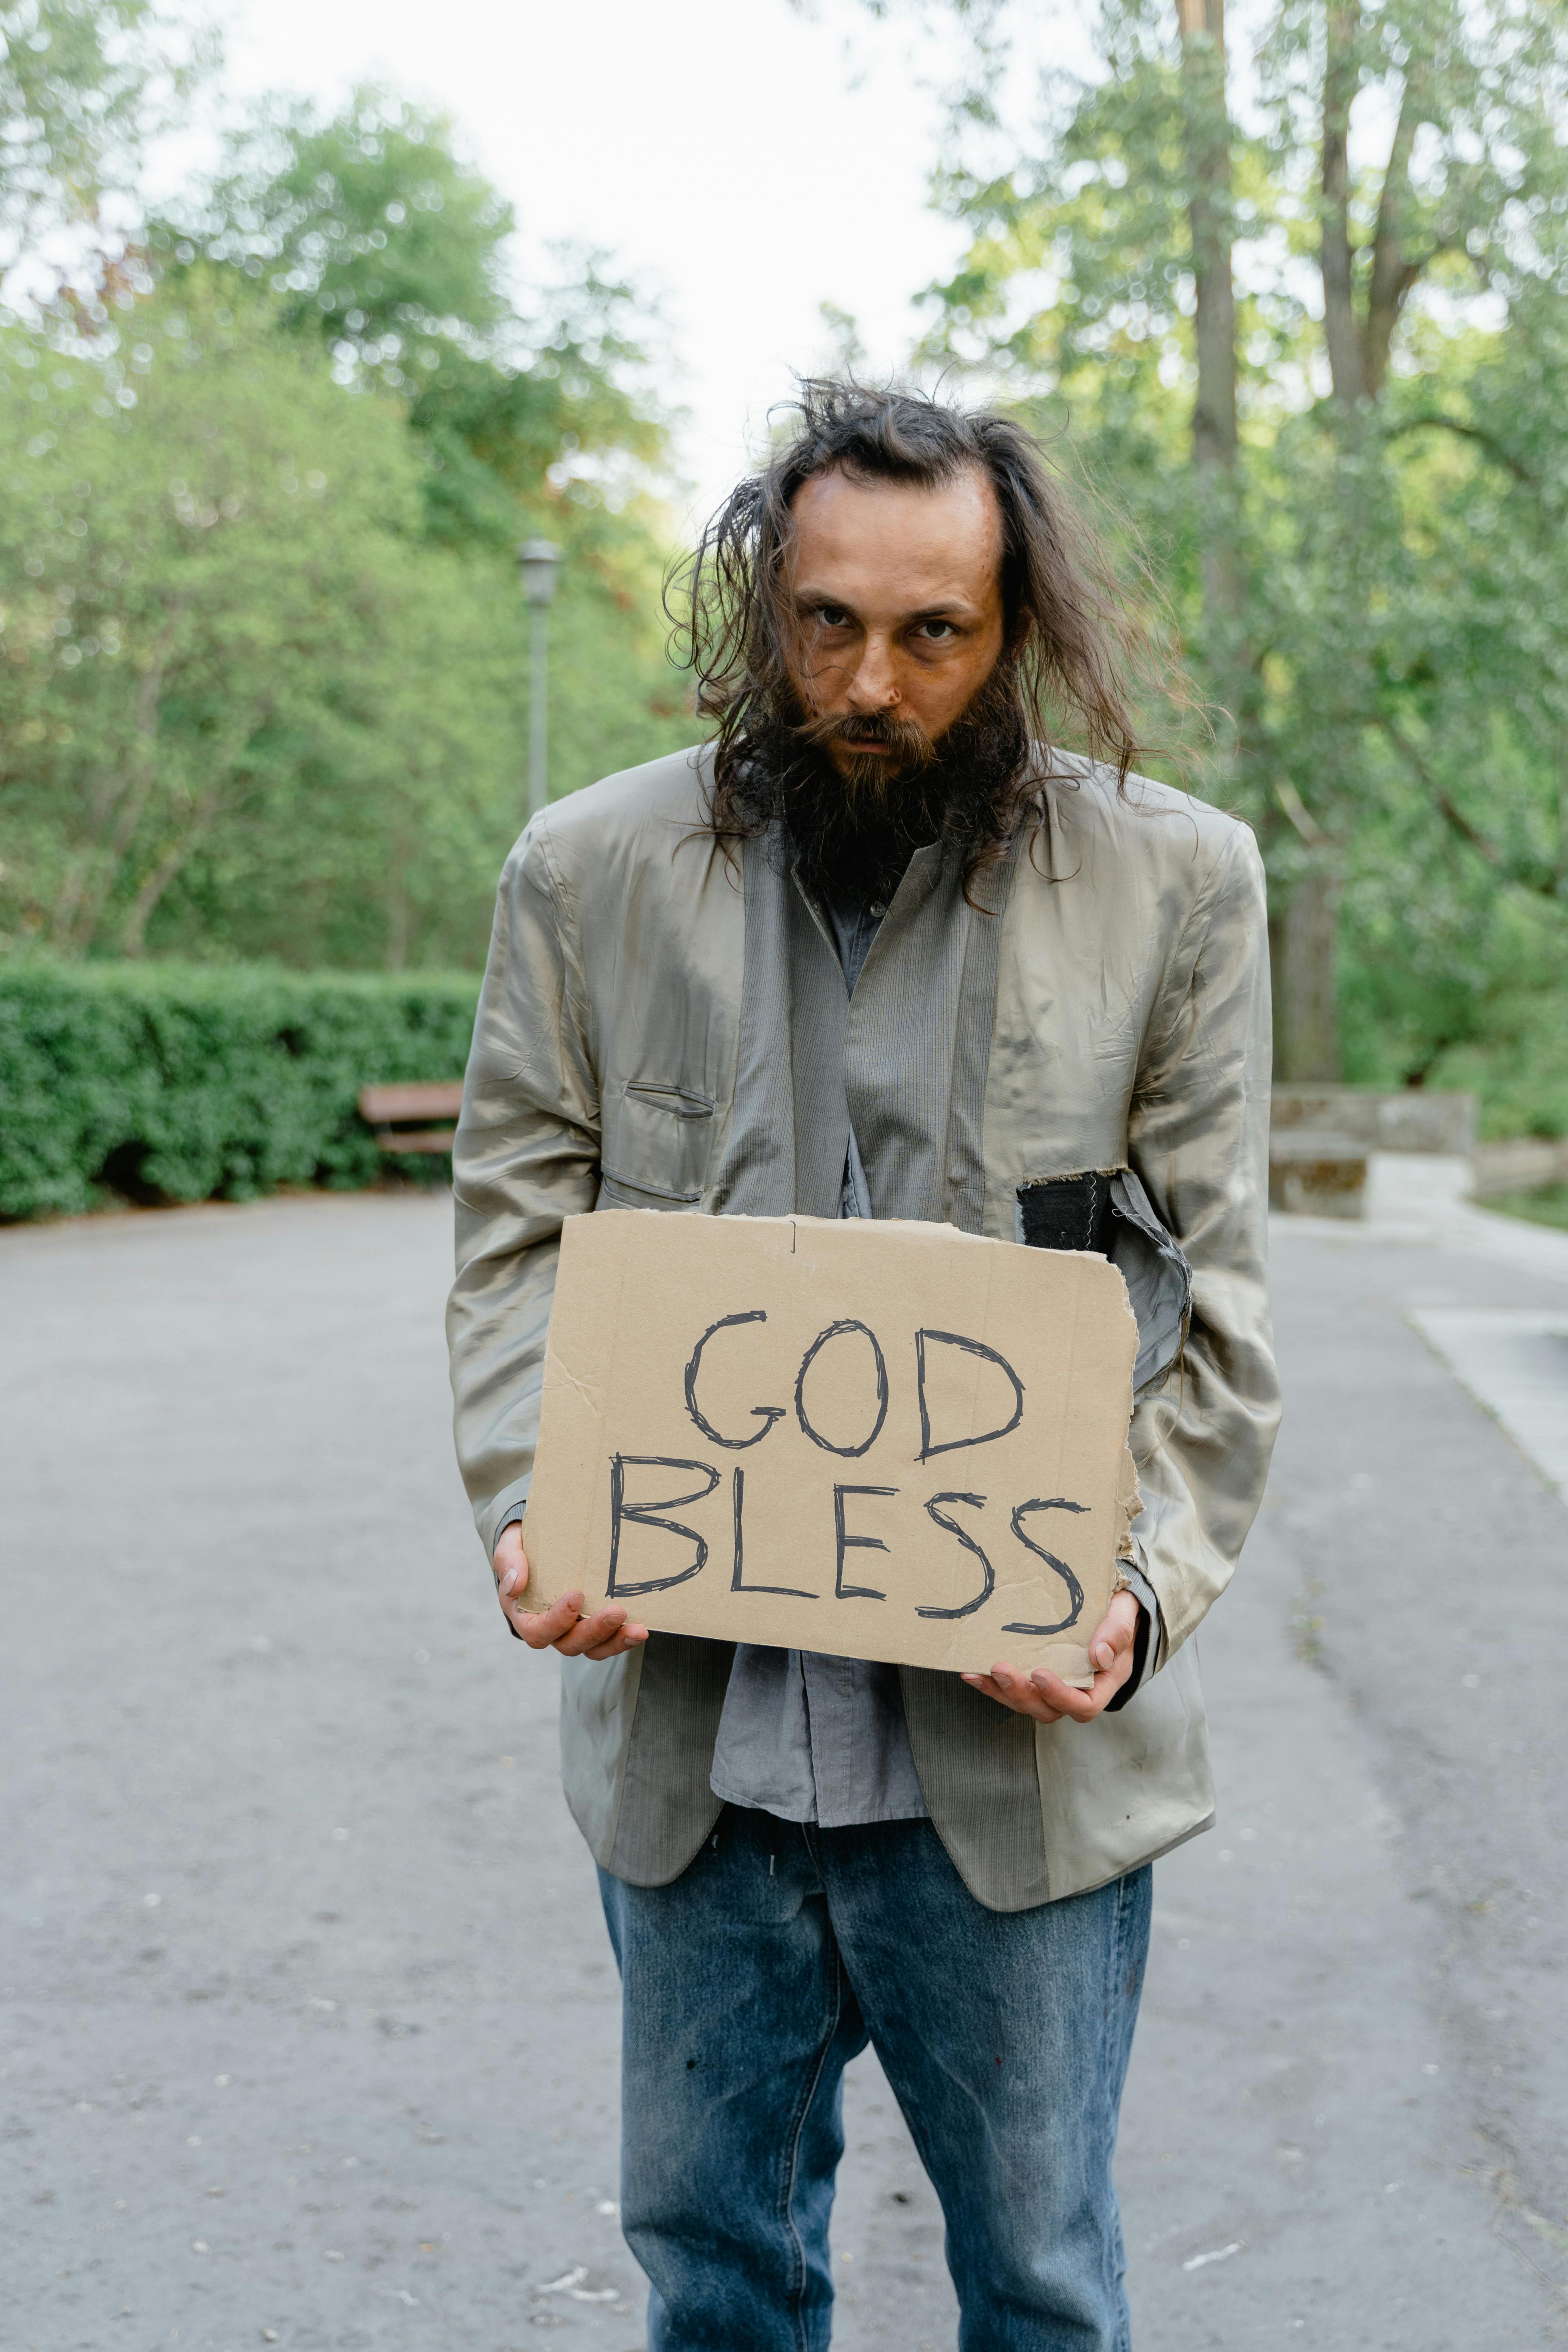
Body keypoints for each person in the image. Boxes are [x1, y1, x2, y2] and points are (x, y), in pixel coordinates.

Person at [446, 381, 1280, 2350]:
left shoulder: (1178, 883)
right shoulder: (582, 871)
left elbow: (1216, 1302)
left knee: (1041, 2283)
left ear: (1016, 629)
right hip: (694, 1757)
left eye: (932, 632)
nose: (870, 681)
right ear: (762, 600)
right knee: (716, 2277)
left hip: (1014, 1764)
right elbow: (509, 1244)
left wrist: (1135, 1587)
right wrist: (528, 1502)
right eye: (825, 621)